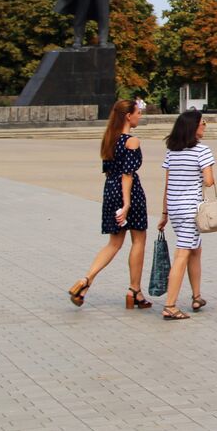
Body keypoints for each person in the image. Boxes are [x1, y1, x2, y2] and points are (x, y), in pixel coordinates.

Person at [67, 98, 151, 309]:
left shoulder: (109, 139)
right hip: (128, 193)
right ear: (128, 116)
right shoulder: (131, 141)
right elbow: (127, 175)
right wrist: (127, 203)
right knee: (138, 240)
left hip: (110, 190)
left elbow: (108, 171)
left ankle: (86, 281)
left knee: (114, 243)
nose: (139, 116)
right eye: (137, 113)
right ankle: (134, 290)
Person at [158, 109, 216, 321]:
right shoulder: (203, 151)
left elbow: (167, 184)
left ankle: (196, 296)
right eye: (202, 123)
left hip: (174, 209)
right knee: (182, 254)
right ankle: (170, 305)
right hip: (192, 210)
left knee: (195, 250)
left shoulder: (172, 151)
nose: (205, 126)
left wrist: (164, 213)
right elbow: (209, 181)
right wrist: (204, 174)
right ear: (193, 127)